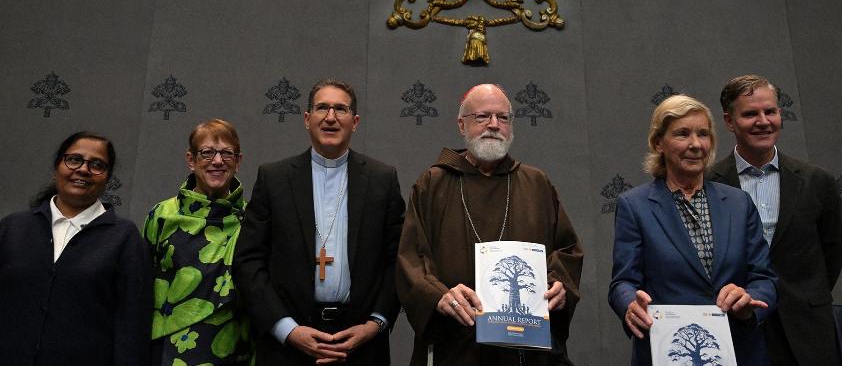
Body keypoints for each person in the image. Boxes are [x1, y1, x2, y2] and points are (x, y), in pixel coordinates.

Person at [397, 83, 583, 366]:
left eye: (503, 117)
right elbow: (412, 255)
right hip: (456, 341)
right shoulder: (433, 183)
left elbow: (567, 248)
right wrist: (439, 295)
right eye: (482, 117)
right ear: (462, 125)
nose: (494, 125)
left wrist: (560, 284)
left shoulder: (536, 183)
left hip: (525, 347)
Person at [234, 78, 405, 365]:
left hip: (363, 344)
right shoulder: (273, 178)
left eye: (341, 109)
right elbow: (248, 261)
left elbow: (399, 260)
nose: (330, 117)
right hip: (287, 345)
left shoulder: (382, 179)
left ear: (355, 121)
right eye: (321, 108)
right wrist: (287, 330)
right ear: (306, 118)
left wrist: (374, 324)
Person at [608, 95, 777, 366]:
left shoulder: (738, 202)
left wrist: (750, 301)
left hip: (739, 349)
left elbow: (764, 278)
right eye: (682, 134)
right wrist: (629, 304)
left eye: (703, 134)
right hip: (669, 350)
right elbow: (623, 282)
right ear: (658, 143)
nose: (696, 145)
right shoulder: (635, 206)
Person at [708, 75, 842, 365]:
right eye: (750, 114)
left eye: (770, 111)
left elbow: (832, 251)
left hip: (806, 329)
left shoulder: (816, 181)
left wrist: (805, 295)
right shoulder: (709, 184)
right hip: (736, 328)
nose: (763, 121)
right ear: (729, 121)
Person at [0, 131, 152, 366]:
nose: (83, 169)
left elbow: (132, 325)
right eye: (74, 159)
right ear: (57, 167)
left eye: (97, 165)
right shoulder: (13, 227)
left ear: (107, 178)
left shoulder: (124, 238)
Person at [143, 119, 251, 364]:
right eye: (207, 153)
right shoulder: (161, 214)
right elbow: (140, 285)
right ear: (190, 160)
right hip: (168, 347)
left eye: (227, 153)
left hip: (230, 345)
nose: (217, 161)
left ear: (238, 161)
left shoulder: (253, 219)